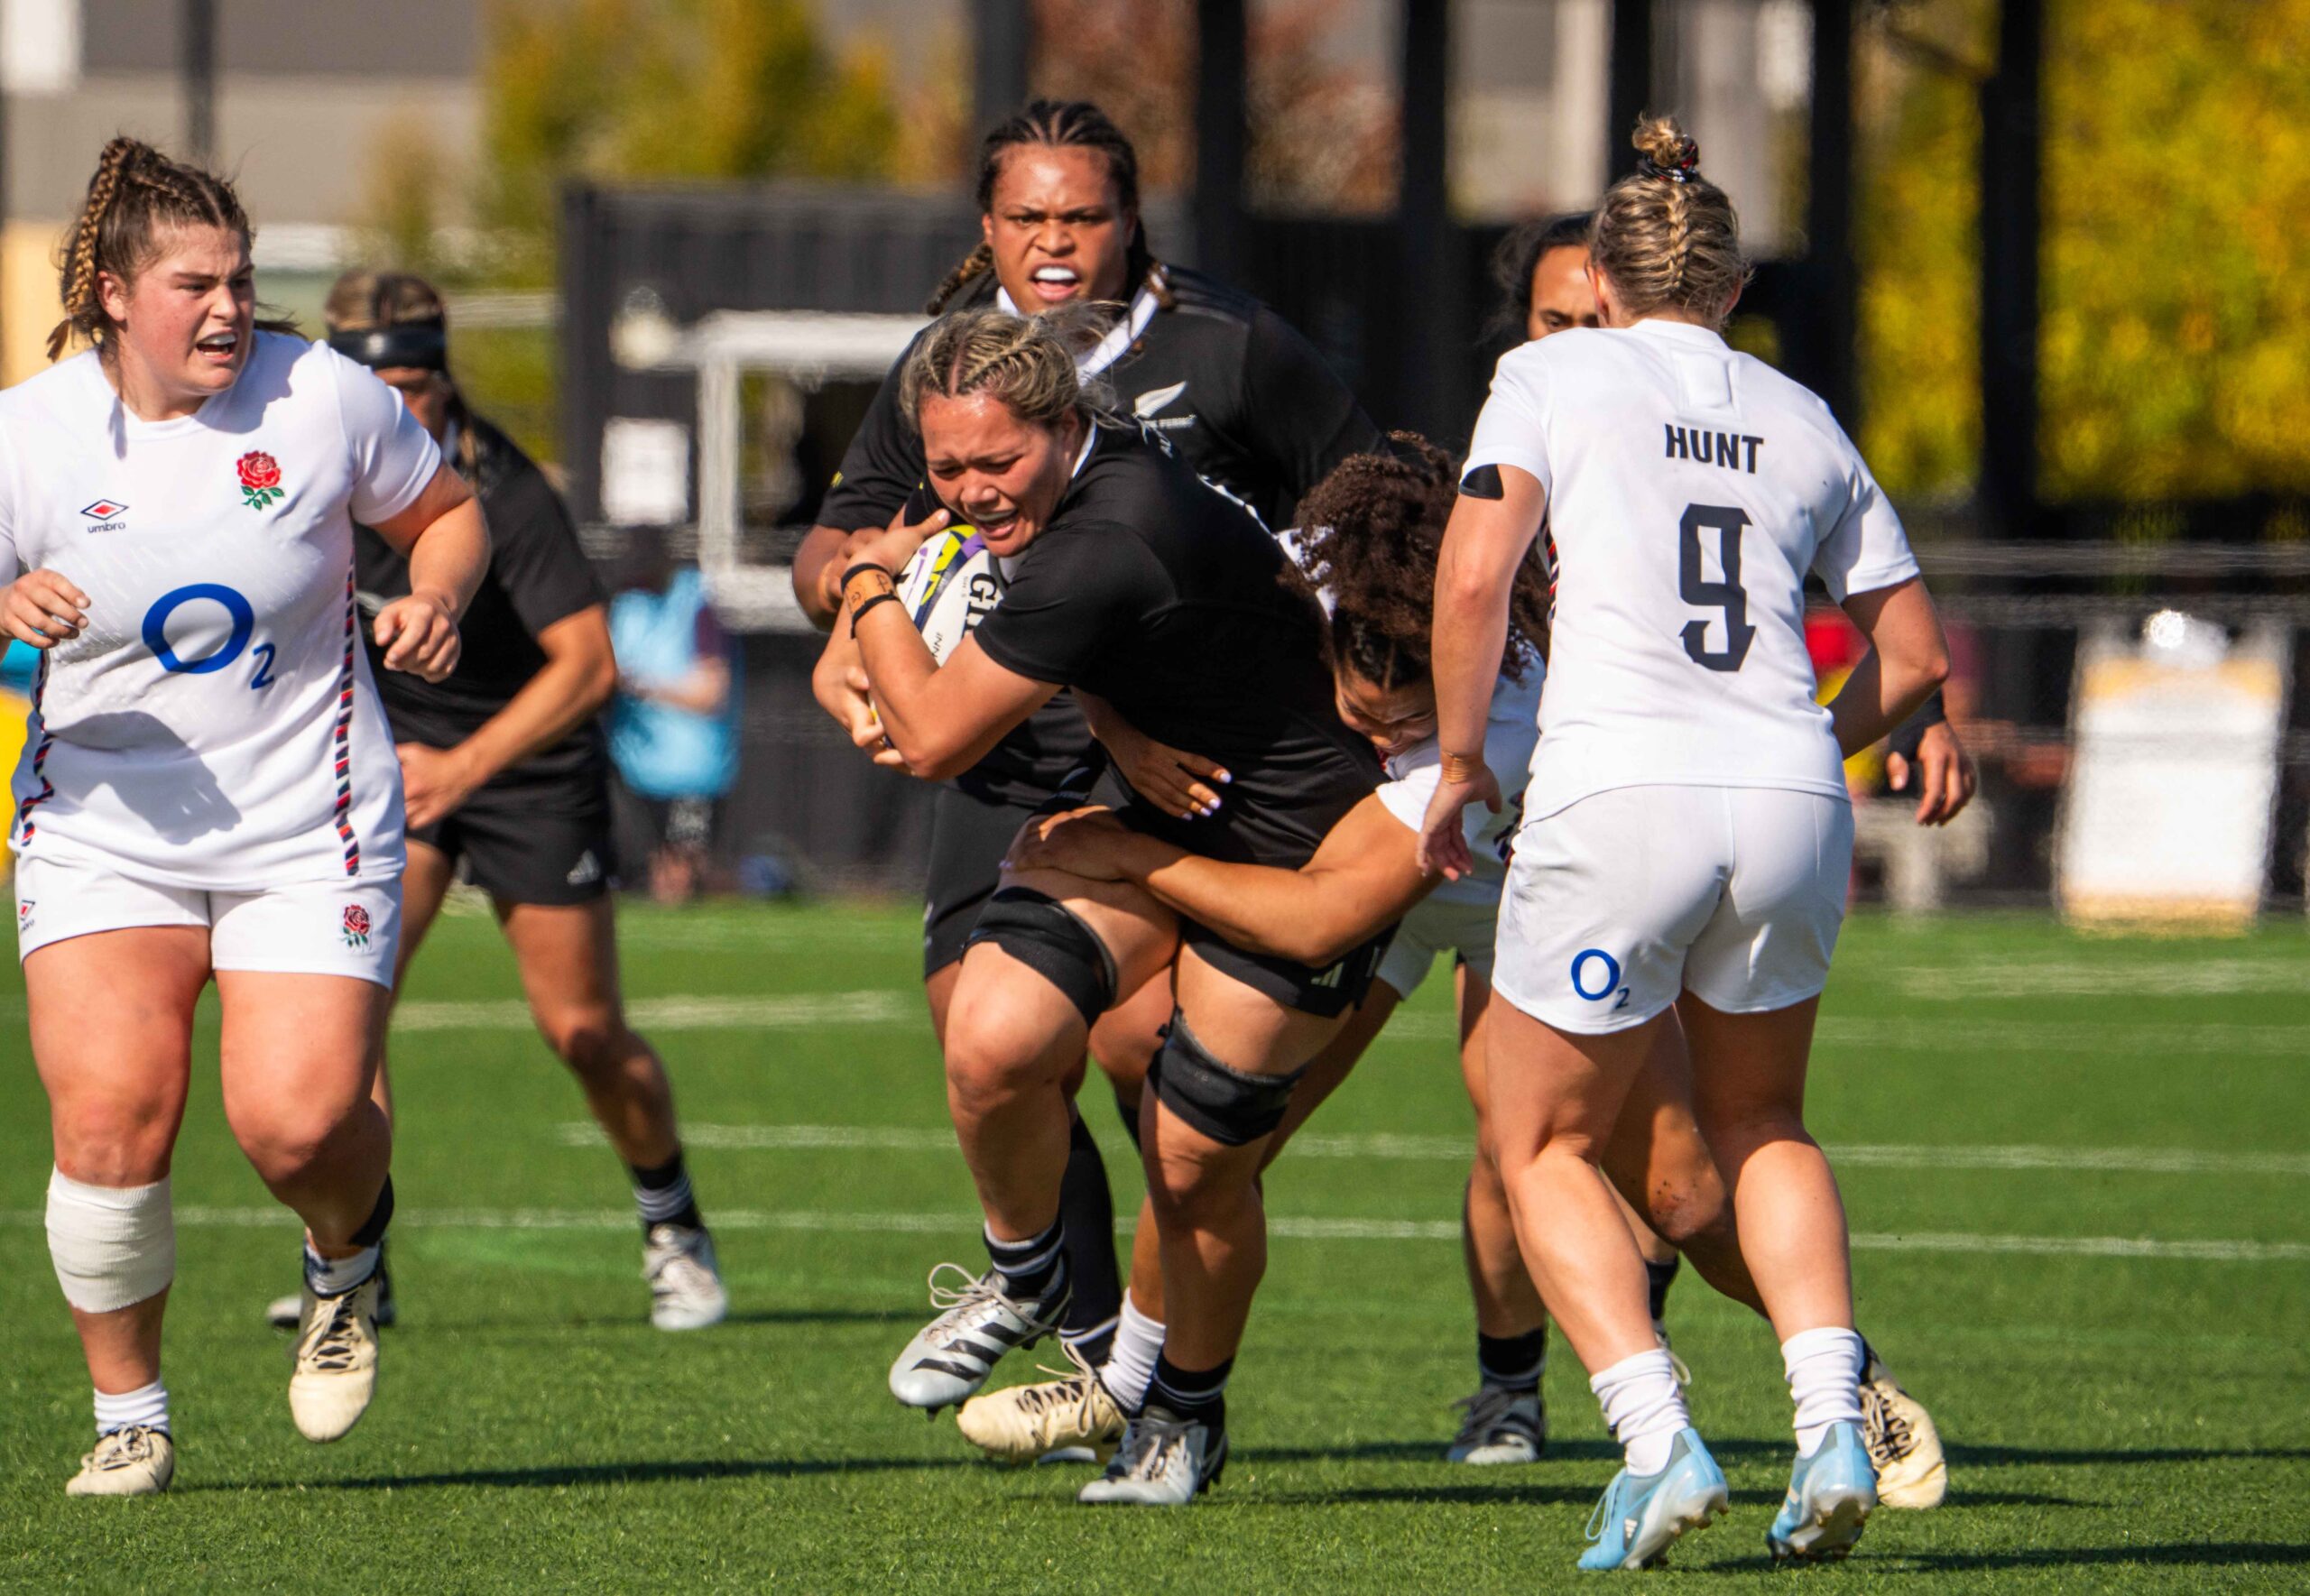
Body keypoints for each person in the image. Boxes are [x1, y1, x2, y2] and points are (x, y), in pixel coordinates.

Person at [975, 439, 1956, 1509]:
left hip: (1519, 896)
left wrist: (1131, 853)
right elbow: (1143, 611)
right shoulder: (1312, 571)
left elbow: (1313, 921)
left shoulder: (1508, 708)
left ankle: (1847, 1371)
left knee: (1679, 1192)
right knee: (1206, 1137)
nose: (1386, 730)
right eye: (1365, 708)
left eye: (1410, 720)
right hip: (1368, 872)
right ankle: (1146, 1397)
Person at [1420, 118, 1967, 1570]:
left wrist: (1462, 758)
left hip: (1618, 791)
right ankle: (1832, 1425)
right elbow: (1913, 655)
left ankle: (1658, 1443)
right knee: (1764, 1126)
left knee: (1538, 1135)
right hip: (1789, 796)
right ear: (1731, 291)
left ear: (1599, 278)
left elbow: (1475, 571)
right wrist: (1821, 735)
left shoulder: (1547, 371)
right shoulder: (1800, 412)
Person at [799, 98, 1384, 1376]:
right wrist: (853, 614)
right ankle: (1075, 1322)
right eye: (1027, 215)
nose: (1054, 240)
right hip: (1011, 744)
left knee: (1141, 1056)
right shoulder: (949, 368)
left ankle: (1160, 1363)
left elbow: (1364, 511)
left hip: (1195, 754)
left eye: (1082, 215)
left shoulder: (1230, 349)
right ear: (986, 226)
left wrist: (1341, 673)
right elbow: (840, 544)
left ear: (1131, 221)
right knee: (987, 1031)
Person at [4, 138, 488, 1495]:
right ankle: (129, 1419)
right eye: (193, 284)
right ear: (112, 293)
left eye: (242, 280)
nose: (228, 309)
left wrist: (435, 596)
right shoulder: (27, 434)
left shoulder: (322, 397)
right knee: (108, 1123)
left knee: (296, 1123)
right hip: (100, 825)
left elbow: (447, 512)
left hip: (305, 823)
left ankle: (344, 1256)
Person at [252, 272, 726, 1334]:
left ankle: (673, 1224)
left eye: (415, 383)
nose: (396, 406)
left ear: (444, 374)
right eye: (372, 383)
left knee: (584, 1029)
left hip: (526, 765)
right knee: (347, 1014)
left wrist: (465, 770)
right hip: (395, 766)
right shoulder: (304, 469)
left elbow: (590, 667)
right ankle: (353, 1260)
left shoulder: (499, 489)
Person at [609, 555, 740, 905]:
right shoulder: (624, 604)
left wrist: (642, 686)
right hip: (632, 769)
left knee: (680, 874)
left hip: (690, 768)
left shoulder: (698, 605)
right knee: (653, 872)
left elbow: (711, 692)